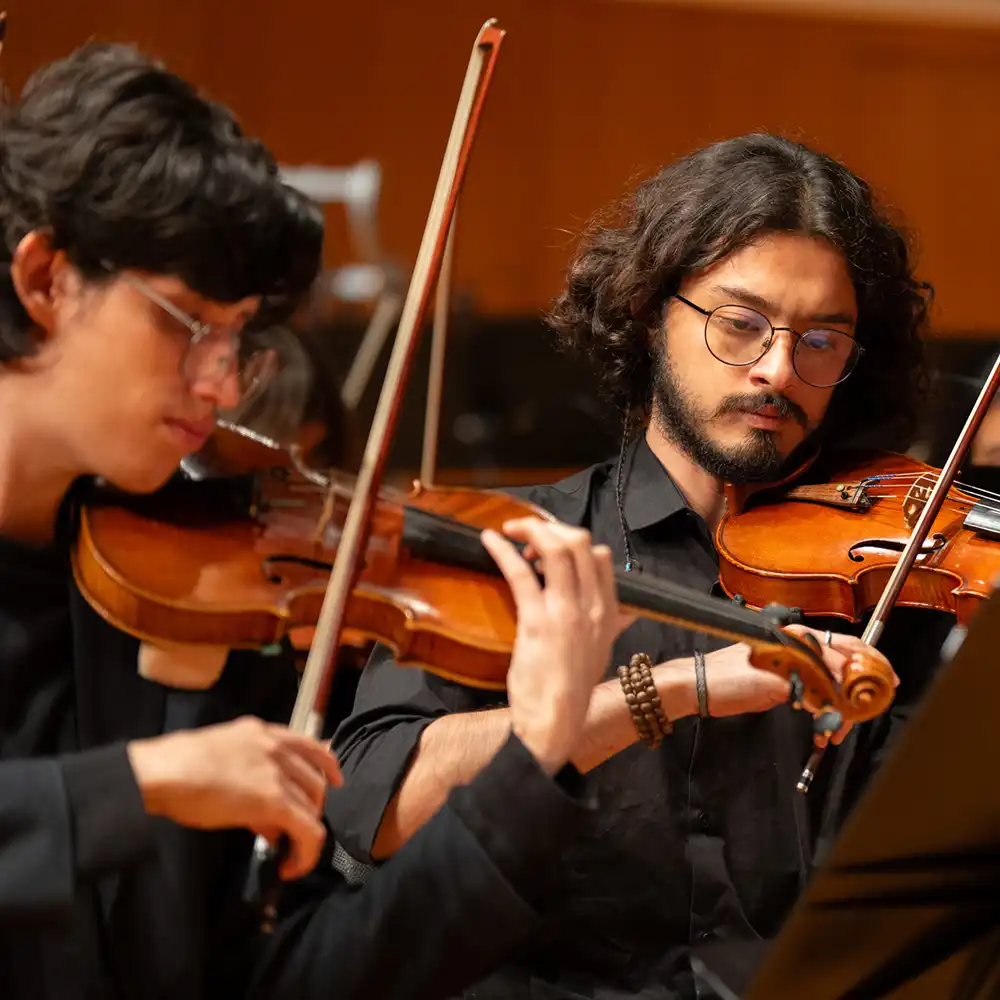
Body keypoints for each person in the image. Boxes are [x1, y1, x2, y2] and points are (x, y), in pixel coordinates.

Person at [0, 41, 645, 1000]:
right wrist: (137, 785)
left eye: (239, 335)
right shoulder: (171, 719)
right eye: (186, 322)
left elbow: (288, 977)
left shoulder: (187, 585)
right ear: (48, 277)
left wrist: (532, 757)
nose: (221, 384)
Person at [326, 134, 952, 999]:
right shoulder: (518, 543)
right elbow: (374, 810)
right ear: (653, 311)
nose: (778, 369)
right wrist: (662, 693)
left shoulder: (891, 574)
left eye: (821, 340)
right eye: (740, 324)